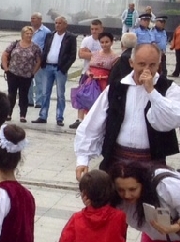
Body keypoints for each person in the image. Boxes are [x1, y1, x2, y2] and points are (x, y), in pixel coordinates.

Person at [74, 43, 180, 178]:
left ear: (158, 65)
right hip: (117, 160)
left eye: (152, 65)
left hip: (152, 162)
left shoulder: (169, 88)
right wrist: (83, 159)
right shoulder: (116, 87)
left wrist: (152, 92)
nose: (146, 69)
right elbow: (93, 123)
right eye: (141, 64)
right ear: (131, 63)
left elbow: (172, 118)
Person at [33, 14, 76, 126]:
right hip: (47, 67)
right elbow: (46, 49)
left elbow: (72, 55)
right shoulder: (50, 35)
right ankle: (43, 116)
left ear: (65, 25)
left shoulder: (70, 37)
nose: (57, 25)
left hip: (59, 68)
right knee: (45, 93)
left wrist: (64, 68)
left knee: (60, 94)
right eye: (56, 23)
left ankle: (59, 117)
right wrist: (43, 63)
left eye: (60, 23)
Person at [2, 26, 43, 122]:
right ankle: (8, 113)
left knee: (23, 95)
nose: (29, 35)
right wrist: (6, 68)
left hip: (26, 76)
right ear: (22, 34)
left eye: (30, 34)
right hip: (12, 73)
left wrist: (33, 72)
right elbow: (5, 55)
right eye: (27, 33)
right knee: (11, 94)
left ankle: (23, 115)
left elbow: (39, 61)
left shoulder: (35, 47)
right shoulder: (15, 44)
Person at [28, 13, 50, 107]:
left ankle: (39, 101)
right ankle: (28, 100)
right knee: (27, 80)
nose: (32, 20)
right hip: (28, 59)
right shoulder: (29, 30)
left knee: (39, 81)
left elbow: (48, 46)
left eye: (34, 18)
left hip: (38, 60)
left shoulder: (46, 32)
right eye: (31, 18)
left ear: (40, 19)